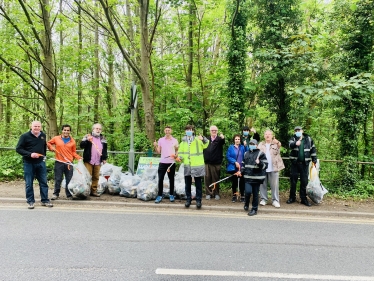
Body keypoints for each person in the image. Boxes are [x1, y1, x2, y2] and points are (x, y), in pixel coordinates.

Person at [16, 121, 53, 209]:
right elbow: (18, 149)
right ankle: (30, 201)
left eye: (38, 126)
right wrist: (30, 154)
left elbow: (43, 147)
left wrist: (44, 157)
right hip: (29, 163)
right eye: (35, 126)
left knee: (43, 182)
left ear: (41, 127)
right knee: (29, 183)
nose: (37, 128)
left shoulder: (43, 135)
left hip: (40, 163)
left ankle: (45, 200)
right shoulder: (24, 136)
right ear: (31, 126)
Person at [47, 124, 82, 200]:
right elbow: (48, 143)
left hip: (69, 163)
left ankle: (69, 195)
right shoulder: (56, 138)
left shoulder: (72, 141)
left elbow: (73, 152)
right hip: (59, 162)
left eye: (68, 130)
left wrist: (78, 158)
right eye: (65, 130)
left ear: (70, 131)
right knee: (58, 179)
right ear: (62, 130)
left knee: (69, 180)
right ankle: (56, 194)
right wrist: (51, 147)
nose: (66, 131)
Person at [178, 125, 209, 209]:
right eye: (187, 129)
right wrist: (179, 158)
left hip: (197, 165)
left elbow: (206, 144)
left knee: (198, 184)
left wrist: (203, 138)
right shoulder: (182, 142)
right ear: (185, 131)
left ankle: (198, 200)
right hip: (187, 165)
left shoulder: (198, 140)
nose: (189, 131)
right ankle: (188, 199)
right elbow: (180, 153)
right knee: (187, 184)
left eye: (190, 130)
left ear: (193, 131)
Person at [287, 126, 317, 207]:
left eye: (299, 130)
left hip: (305, 164)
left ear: (302, 131)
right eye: (296, 130)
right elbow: (289, 145)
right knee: (293, 181)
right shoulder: (293, 138)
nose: (297, 131)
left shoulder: (308, 139)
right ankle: (292, 197)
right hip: (295, 163)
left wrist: (314, 159)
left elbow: (313, 149)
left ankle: (303, 198)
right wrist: (295, 143)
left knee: (304, 182)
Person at [239, 139, 267, 216]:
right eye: (250, 143)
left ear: (256, 145)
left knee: (255, 194)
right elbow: (243, 165)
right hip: (248, 178)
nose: (251, 145)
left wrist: (259, 163)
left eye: (253, 144)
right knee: (247, 192)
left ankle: (254, 209)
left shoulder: (261, 154)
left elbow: (265, 166)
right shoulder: (246, 153)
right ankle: (246, 203)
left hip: (257, 179)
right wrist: (241, 171)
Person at [258, 130, 285, 208]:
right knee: (262, 184)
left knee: (275, 185)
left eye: (269, 134)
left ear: (272, 135)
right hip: (263, 168)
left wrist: (278, 142)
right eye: (266, 134)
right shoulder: (261, 144)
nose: (267, 136)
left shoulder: (275, 144)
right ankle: (263, 199)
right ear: (264, 136)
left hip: (274, 167)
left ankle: (275, 200)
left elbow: (280, 146)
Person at [80, 123, 108, 197]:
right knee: (87, 176)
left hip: (98, 161)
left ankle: (94, 191)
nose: (98, 130)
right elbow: (81, 145)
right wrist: (87, 140)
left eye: (99, 129)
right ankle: (86, 190)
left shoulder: (103, 139)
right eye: (97, 128)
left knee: (96, 177)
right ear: (93, 129)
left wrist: (104, 158)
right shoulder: (88, 136)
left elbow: (105, 150)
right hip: (89, 160)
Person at [153, 126, 179, 204]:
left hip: (171, 163)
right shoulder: (161, 140)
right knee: (160, 179)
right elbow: (158, 152)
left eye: (169, 130)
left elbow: (177, 152)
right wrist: (155, 145)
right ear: (164, 131)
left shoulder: (175, 140)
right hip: (163, 162)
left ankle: (171, 195)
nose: (167, 131)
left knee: (171, 179)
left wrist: (176, 153)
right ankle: (159, 195)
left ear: (171, 131)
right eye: (166, 130)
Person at [203, 125, 225, 200]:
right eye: (212, 130)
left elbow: (223, 141)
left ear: (217, 131)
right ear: (210, 131)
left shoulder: (219, 139)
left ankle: (216, 193)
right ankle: (208, 193)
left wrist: (223, 137)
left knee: (216, 179)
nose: (214, 131)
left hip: (216, 163)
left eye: (215, 130)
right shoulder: (206, 139)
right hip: (207, 162)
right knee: (207, 178)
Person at [226, 134, 246, 203]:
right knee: (234, 182)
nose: (237, 140)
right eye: (236, 139)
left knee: (242, 182)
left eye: (238, 139)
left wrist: (246, 146)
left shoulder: (243, 147)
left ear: (240, 140)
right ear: (234, 140)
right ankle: (234, 195)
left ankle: (242, 196)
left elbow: (246, 154)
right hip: (234, 167)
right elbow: (228, 157)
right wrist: (234, 162)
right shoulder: (230, 147)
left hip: (242, 167)